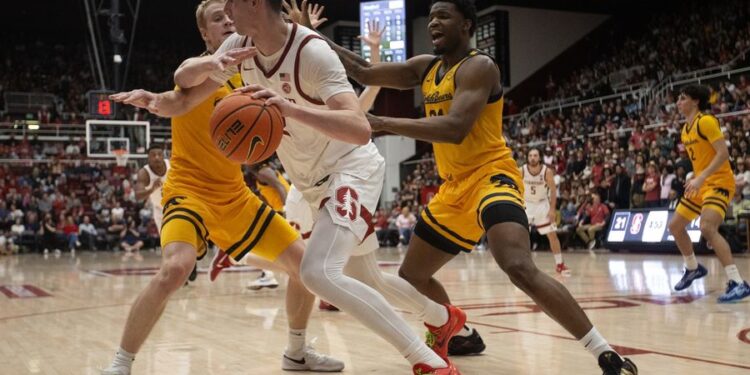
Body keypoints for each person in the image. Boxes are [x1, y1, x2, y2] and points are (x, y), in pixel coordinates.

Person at [323, 0, 637, 373]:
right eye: (432, 17)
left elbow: (455, 128)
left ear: (467, 25)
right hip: (453, 188)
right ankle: (462, 331)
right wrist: (304, 36)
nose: (434, 23)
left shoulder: (479, 67)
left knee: (516, 264)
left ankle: (605, 353)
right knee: (412, 276)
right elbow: (363, 69)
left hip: (491, 176)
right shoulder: (426, 67)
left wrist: (384, 123)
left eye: (444, 16)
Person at [104, 1, 343, 373]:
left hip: (234, 196)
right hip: (189, 191)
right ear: (205, 34)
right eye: (218, 18)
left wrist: (300, 34)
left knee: (307, 268)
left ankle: (296, 352)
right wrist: (191, 76)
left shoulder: (254, 71)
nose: (228, 20)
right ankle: (120, 364)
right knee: (176, 268)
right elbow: (181, 83)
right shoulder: (201, 70)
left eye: (230, 14)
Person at [667, 84, 750, 303]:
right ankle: (692, 268)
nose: (678, 102)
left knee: (707, 227)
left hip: (719, 182)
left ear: (695, 101)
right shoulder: (686, 129)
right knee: (675, 226)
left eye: (683, 98)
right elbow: (701, 160)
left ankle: (738, 282)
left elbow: (723, 154)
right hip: (701, 184)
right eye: (678, 99)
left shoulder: (706, 121)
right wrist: (694, 178)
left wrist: (702, 177)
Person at [522, 148, 569, 274]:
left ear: (539, 157)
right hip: (527, 204)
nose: (533, 158)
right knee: (521, 236)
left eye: (535, 155)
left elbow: (553, 191)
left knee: (552, 235)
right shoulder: (521, 170)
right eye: (530, 155)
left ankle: (560, 264)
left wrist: (552, 210)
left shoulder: (546, 171)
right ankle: (522, 265)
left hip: (542, 205)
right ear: (527, 157)